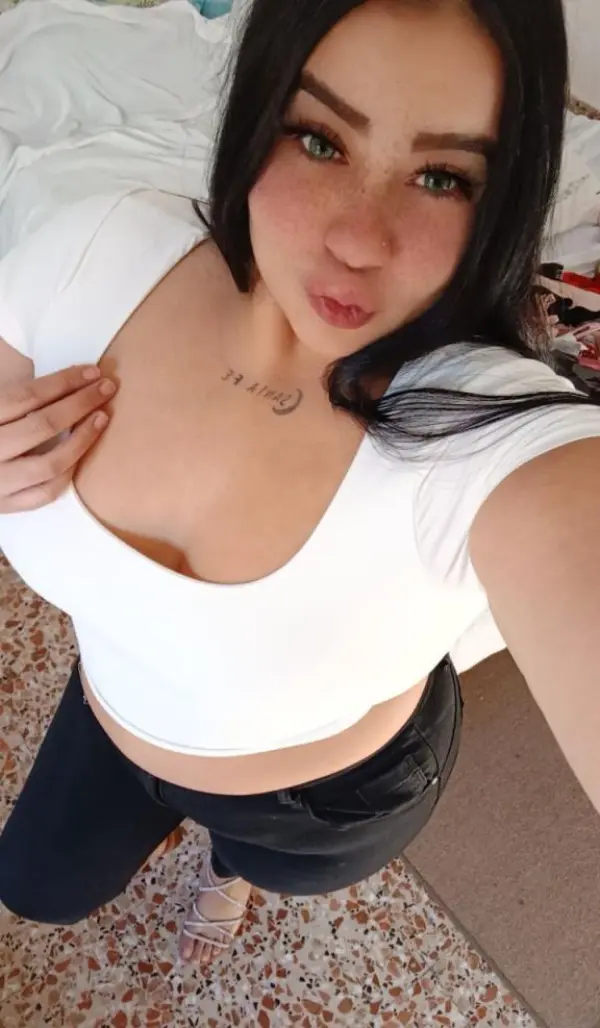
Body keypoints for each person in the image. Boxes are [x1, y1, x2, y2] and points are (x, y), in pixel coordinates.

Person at [1, 0, 600, 970]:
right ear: (256, 113)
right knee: (34, 884)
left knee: (259, 864)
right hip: (114, 705)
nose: (357, 240)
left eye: (442, 176)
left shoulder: (491, 435)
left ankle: (231, 869)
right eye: (320, 140)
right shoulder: (93, 248)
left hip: (325, 798)